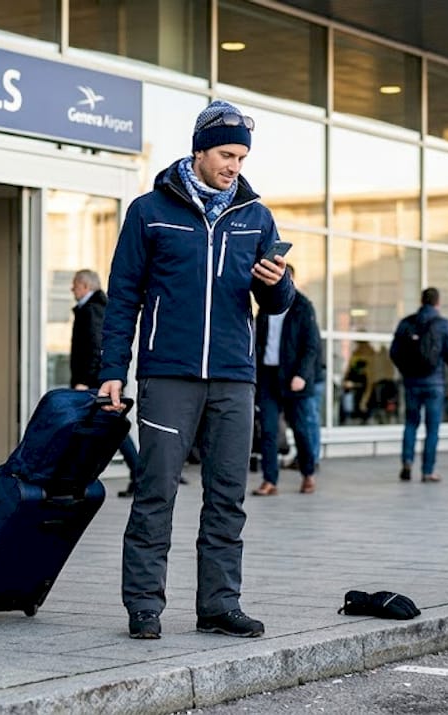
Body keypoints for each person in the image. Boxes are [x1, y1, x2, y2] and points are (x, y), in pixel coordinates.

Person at [97, 100, 295, 641]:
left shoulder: (255, 216)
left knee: (228, 494)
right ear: (200, 151)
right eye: (227, 154)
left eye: (242, 156)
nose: (236, 165)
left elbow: (278, 303)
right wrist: (113, 368)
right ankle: (143, 606)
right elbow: (123, 299)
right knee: (156, 491)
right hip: (168, 374)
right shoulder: (149, 211)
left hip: (234, 376)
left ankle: (218, 605)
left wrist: (276, 282)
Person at [68, 269, 148, 498]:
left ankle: (136, 474)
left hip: (95, 383)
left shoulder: (91, 309)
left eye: (75, 284)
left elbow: (94, 348)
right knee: (109, 429)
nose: (72, 289)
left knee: (109, 429)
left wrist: (85, 380)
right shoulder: (94, 307)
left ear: (84, 286)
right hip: (99, 380)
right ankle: (137, 475)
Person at [251, 264, 323, 496]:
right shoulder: (265, 306)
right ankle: (270, 480)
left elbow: (311, 346)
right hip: (269, 376)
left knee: (301, 430)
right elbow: (258, 341)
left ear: (290, 279)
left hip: (295, 378)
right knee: (269, 431)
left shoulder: (303, 306)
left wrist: (301, 375)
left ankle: (308, 474)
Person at [391, 287, 448, 483]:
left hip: (411, 383)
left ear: (421, 301)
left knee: (411, 424)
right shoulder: (444, 325)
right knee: (432, 428)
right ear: (438, 302)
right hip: (435, 384)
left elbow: (394, 352)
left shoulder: (407, 323)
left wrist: (405, 371)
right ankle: (428, 471)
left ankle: (407, 462)